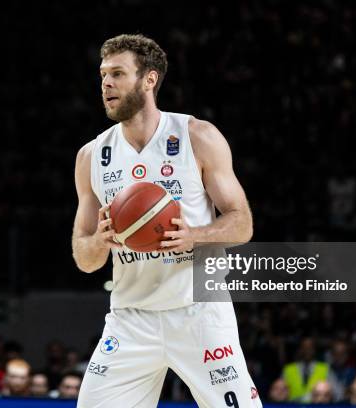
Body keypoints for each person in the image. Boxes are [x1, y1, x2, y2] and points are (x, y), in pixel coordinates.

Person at [72, 34, 259, 408]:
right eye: (103, 75)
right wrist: (99, 241)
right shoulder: (92, 156)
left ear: (149, 79)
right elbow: (85, 258)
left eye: (118, 74)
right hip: (130, 318)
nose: (106, 83)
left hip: (199, 313)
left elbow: (242, 224)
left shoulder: (197, 136)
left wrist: (195, 235)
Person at [282, 337, 331, 402]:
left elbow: (337, 394)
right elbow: (279, 392)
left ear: (314, 350)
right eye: (304, 347)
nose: (307, 350)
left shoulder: (325, 368)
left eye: (310, 347)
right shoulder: (288, 369)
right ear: (300, 350)